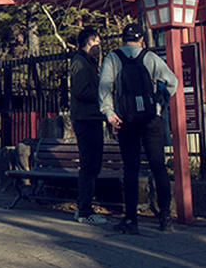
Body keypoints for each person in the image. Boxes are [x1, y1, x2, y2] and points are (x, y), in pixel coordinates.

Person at [99, 21, 174, 234]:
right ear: (142, 39)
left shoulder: (113, 58)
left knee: (130, 168)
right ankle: (166, 218)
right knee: (158, 166)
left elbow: (104, 86)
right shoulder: (150, 57)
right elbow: (172, 81)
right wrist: (158, 104)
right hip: (151, 119)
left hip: (126, 120)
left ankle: (131, 220)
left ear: (123, 38)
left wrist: (110, 113)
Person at [66, 26, 106, 224]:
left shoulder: (86, 63)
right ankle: (84, 210)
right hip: (87, 118)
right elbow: (81, 90)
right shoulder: (82, 63)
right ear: (89, 42)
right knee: (90, 164)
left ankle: (84, 207)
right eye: (97, 43)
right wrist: (102, 98)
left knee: (91, 164)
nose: (99, 48)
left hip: (89, 117)